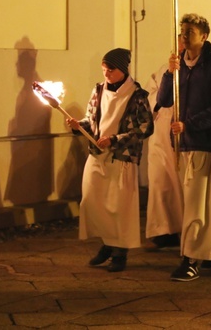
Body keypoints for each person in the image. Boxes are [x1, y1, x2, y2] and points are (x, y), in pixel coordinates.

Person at [157, 13, 211, 281]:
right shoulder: (180, 67)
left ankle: (190, 258)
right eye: (182, 31)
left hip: (202, 142)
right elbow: (165, 100)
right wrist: (169, 72)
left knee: (196, 205)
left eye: (190, 31)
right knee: (198, 202)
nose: (185, 36)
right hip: (181, 145)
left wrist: (190, 124)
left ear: (204, 36)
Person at [67, 48, 154, 272]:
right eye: (104, 69)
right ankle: (107, 243)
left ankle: (119, 252)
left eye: (111, 69)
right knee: (92, 201)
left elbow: (145, 128)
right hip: (97, 155)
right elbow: (91, 119)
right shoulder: (98, 90)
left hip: (121, 157)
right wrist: (79, 126)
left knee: (119, 206)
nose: (106, 73)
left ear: (123, 70)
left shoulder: (137, 95)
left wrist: (115, 140)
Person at [143, 37, 185, 250]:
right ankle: (162, 229)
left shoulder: (197, 71)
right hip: (160, 133)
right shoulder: (162, 71)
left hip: (182, 131)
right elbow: (150, 97)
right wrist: (158, 103)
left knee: (181, 183)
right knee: (160, 181)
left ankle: (183, 227)